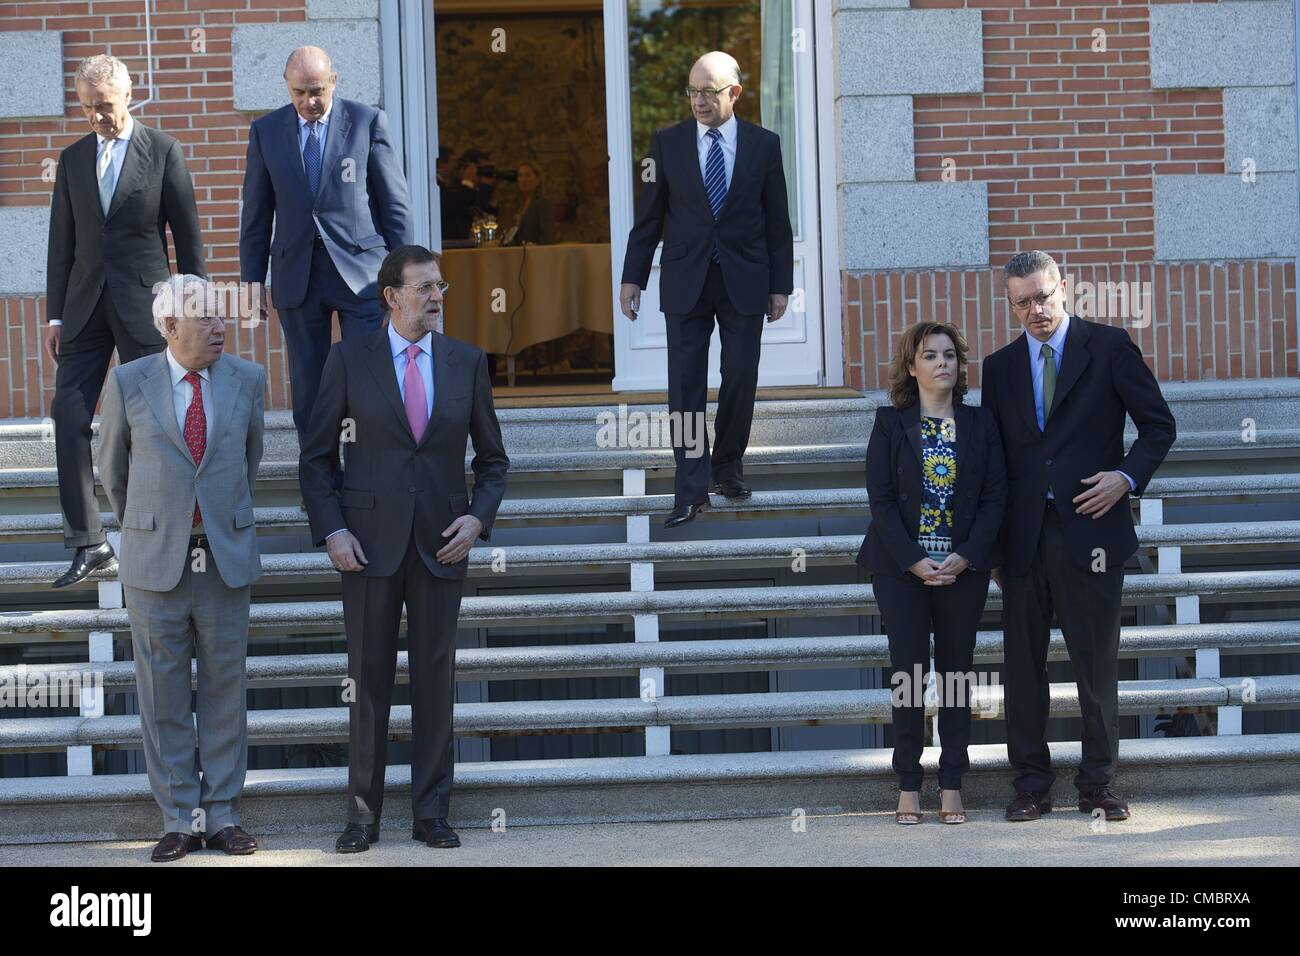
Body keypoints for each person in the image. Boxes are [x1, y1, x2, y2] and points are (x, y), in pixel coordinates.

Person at [299, 245, 509, 853]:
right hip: (366, 546)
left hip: (443, 545)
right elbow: (316, 461)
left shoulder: (467, 362)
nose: (437, 297)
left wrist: (476, 520)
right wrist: (332, 531)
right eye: (424, 288)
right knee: (367, 684)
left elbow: (493, 463)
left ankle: (431, 814)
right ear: (391, 296)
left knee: (435, 679)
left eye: (440, 287)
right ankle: (362, 817)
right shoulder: (348, 360)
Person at [982, 250, 1176, 823]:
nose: (1035, 310)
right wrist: (992, 546)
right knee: (1023, 669)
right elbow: (995, 462)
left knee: (1096, 666)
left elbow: (1158, 425)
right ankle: (1030, 784)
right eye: (1022, 302)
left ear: (1063, 289)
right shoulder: (1000, 368)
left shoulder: (1109, 347)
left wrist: (1126, 477)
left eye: (1043, 296)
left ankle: (1097, 783)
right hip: (1022, 541)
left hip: (1093, 533)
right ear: (1011, 304)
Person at [97, 275, 266, 862]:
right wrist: (150, 525)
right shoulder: (127, 382)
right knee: (162, 696)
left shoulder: (247, 379)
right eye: (206, 319)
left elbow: (250, 458)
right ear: (169, 326)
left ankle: (221, 817)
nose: (221, 327)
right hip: (155, 561)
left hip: (223, 557)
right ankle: (178, 819)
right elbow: (112, 472)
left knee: (225, 691)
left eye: (222, 317)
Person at [45, 54, 206, 589]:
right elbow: (60, 246)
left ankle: (163, 528)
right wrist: (54, 315)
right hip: (84, 308)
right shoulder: (71, 161)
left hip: (147, 307)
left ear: (129, 96)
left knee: (154, 421)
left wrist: (195, 305)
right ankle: (89, 543)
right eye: (88, 108)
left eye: (105, 107)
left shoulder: (161, 151)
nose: (97, 117)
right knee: (67, 414)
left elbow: (188, 237)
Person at [618, 50, 793, 528]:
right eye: (692, 91)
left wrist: (782, 286)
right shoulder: (666, 143)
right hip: (685, 279)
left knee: (740, 374)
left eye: (708, 92)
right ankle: (690, 488)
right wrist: (632, 276)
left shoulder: (764, 145)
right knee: (686, 386)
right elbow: (648, 218)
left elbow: (777, 222)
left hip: (745, 279)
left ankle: (728, 467)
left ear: (734, 93)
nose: (698, 100)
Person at [858, 322, 1006, 825]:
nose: (942, 363)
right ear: (911, 367)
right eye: (930, 355)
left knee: (958, 675)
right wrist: (912, 560)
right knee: (909, 674)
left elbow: (994, 497)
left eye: (950, 355)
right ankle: (907, 782)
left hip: (963, 569)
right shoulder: (889, 424)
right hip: (901, 570)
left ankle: (952, 782)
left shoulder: (981, 424)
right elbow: (880, 499)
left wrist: (968, 555)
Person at [240, 45, 413, 446]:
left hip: (363, 275)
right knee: (310, 383)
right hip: (297, 274)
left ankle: (367, 476)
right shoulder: (266, 132)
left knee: (367, 377)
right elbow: (256, 213)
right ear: (287, 87)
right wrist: (251, 282)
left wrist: (405, 276)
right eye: (299, 92)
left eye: (317, 90)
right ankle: (318, 482)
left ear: (334, 81)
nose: (309, 101)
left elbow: (394, 203)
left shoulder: (366, 122)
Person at [505, 161, 554, 245]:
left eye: (527, 175)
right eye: (520, 176)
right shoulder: (518, 205)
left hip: (536, 254)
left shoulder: (542, 203)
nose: (523, 180)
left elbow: (547, 237)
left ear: (538, 180)